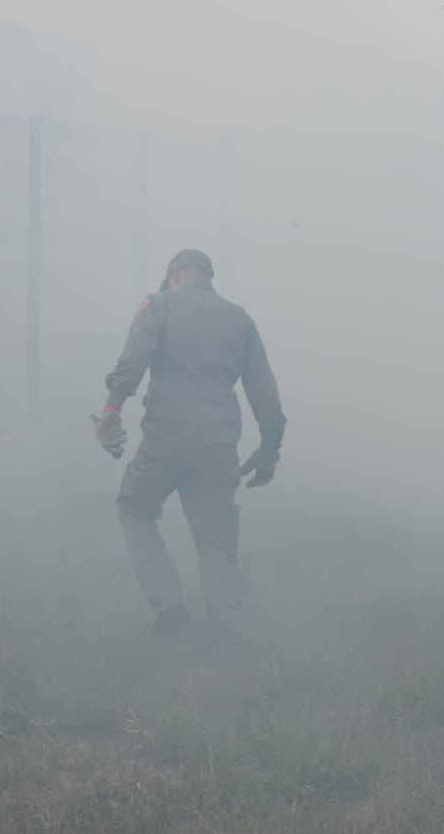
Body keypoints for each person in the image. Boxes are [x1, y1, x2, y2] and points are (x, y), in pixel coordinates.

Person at [93, 249, 286, 654]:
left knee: (135, 508)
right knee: (218, 548)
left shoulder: (159, 305)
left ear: (176, 274)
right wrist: (270, 450)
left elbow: (134, 360)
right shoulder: (240, 319)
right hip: (217, 446)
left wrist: (111, 412)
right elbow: (263, 391)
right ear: (207, 276)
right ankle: (231, 647)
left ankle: (168, 601)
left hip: (165, 440)